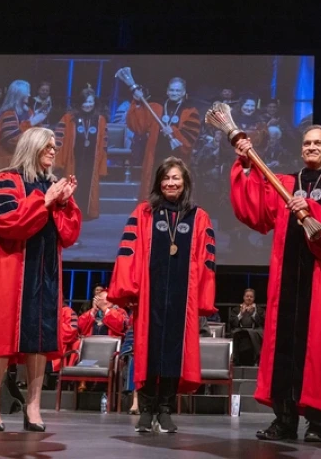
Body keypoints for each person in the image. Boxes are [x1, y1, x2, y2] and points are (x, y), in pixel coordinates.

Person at [231, 124, 321, 442]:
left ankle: (317, 425)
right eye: (306, 143)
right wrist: (246, 166)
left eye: (319, 143)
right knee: (283, 351)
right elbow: (256, 214)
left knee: (317, 352)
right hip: (286, 282)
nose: (311, 147)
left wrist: (312, 208)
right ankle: (285, 421)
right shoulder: (285, 183)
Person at [101, 156, 216, 434]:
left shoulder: (198, 217)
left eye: (176, 177)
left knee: (174, 353)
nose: (170, 183)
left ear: (185, 182)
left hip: (182, 298)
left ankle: (165, 409)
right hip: (149, 296)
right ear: (158, 182)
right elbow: (128, 252)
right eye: (166, 178)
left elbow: (206, 261)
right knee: (147, 351)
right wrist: (129, 289)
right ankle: (147, 408)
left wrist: (201, 298)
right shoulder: (145, 213)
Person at [0, 127, 81, 432]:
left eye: (55, 146)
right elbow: (4, 221)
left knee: (40, 338)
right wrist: (45, 201)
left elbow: (68, 234)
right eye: (48, 146)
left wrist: (63, 202)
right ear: (33, 147)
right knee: (2, 336)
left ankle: (34, 405)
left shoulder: (50, 183)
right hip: (14, 270)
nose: (54, 150)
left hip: (46, 271)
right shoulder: (7, 180)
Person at [122, 76, 201, 201]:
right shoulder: (156, 107)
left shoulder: (190, 111)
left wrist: (174, 132)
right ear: (167, 91)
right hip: (156, 156)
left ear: (183, 92)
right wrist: (137, 102)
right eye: (172, 90)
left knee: (175, 189)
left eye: (178, 91)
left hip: (177, 158)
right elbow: (138, 126)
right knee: (155, 188)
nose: (174, 93)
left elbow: (190, 137)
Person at [54, 85, 108, 220]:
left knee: (87, 185)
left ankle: (86, 212)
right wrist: (59, 161)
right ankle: (70, 211)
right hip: (73, 159)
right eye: (85, 102)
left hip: (91, 160)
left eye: (91, 102)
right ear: (80, 102)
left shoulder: (100, 120)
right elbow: (59, 139)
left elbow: (103, 144)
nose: (88, 105)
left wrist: (101, 163)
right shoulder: (69, 118)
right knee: (72, 183)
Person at [0, 80, 47, 178]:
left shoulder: (28, 111)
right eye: (27, 92)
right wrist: (32, 122)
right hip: (9, 167)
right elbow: (12, 141)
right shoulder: (8, 114)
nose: (29, 94)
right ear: (19, 94)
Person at [229, 288, 265, 366]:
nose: (249, 298)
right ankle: (236, 361)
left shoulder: (259, 310)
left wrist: (253, 314)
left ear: (254, 298)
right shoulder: (236, 309)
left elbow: (262, 322)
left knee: (254, 333)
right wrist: (241, 314)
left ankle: (256, 359)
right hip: (240, 330)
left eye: (251, 297)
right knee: (237, 333)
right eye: (247, 296)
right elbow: (232, 322)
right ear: (243, 297)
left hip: (255, 330)